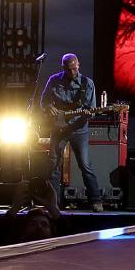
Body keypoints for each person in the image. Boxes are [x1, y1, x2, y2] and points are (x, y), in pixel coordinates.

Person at [41, 53, 103, 212]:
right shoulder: (54, 80)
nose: (73, 72)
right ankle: (54, 203)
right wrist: (49, 107)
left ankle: (96, 201)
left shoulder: (87, 83)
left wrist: (89, 113)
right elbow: (44, 101)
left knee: (85, 164)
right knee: (53, 165)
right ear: (63, 68)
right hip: (58, 128)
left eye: (75, 69)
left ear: (79, 65)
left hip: (79, 129)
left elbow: (92, 109)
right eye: (69, 70)